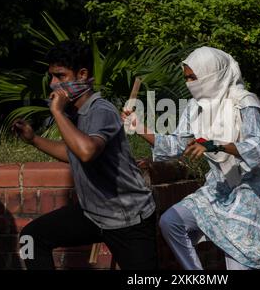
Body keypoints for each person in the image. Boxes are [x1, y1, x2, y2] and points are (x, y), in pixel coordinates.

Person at [122, 46, 260, 270]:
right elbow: (178, 144)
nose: (190, 83)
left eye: (194, 77)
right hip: (216, 189)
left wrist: (214, 144)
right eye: (187, 78)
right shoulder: (195, 107)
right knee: (171, 222)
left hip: (245, 195)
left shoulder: (244, 102)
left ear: (213, 74)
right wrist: (138, 126)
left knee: (241, 260)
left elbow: (255, 146)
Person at [13, 40, 157, 270]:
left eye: (60, 76)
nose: (53, 84)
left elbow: (87, 152)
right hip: (93, 214)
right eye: (51, 76)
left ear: (82, 74)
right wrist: (33, 139)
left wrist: (57, 112)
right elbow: (73, 152)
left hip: (127, 218)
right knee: (32, 237)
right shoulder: (74, 112)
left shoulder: (102, 110)